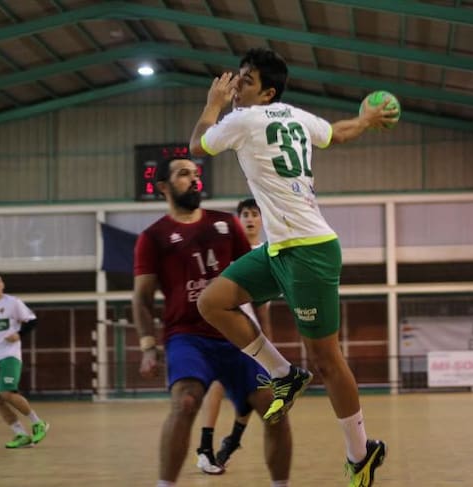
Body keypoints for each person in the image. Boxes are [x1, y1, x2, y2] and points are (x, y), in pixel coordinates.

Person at [189, 47, 398, 486]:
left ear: (267, 93)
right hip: (280, 248)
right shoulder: (296, 116)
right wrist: (365, 120)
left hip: (309, 250)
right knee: (212, 302)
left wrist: (212, 103)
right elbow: (336, 134)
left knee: (327, 359)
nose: (236, 87)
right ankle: (284, 373)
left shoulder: (243, 120)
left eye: (246, 81)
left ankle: (361, 454)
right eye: (237, 79)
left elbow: (196, 145)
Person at [132, 156, 292, 487]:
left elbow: (255, 287)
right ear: (163, 187)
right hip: (187, 337)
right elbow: (141, 299)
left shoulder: (226, 225)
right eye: (183, 174)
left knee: (275, 409)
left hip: (236, 336)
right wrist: (148, 347)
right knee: (186, 401)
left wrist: (266, 341)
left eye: (195, 173)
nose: (193, 179)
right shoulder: (153, 237)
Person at [195, 197, 273, 473]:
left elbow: (264, 305)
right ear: (238, 220)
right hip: (225, 326)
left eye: (254, 214)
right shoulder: (228, 250)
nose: (250, 219)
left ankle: (232, 440)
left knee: (255, 390)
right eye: (245, 214)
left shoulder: (269, 252)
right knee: (217, 381)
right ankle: (205, 447)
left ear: (262, 220)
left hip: (252, 331)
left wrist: (267, 339)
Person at [0, 271, 49, 449]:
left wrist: (19, 334)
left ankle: (38, 423)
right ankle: (20, 434)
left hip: (9, 355)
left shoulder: (13, 302)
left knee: (6, 392)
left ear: (2, 285)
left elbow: (32, 321)